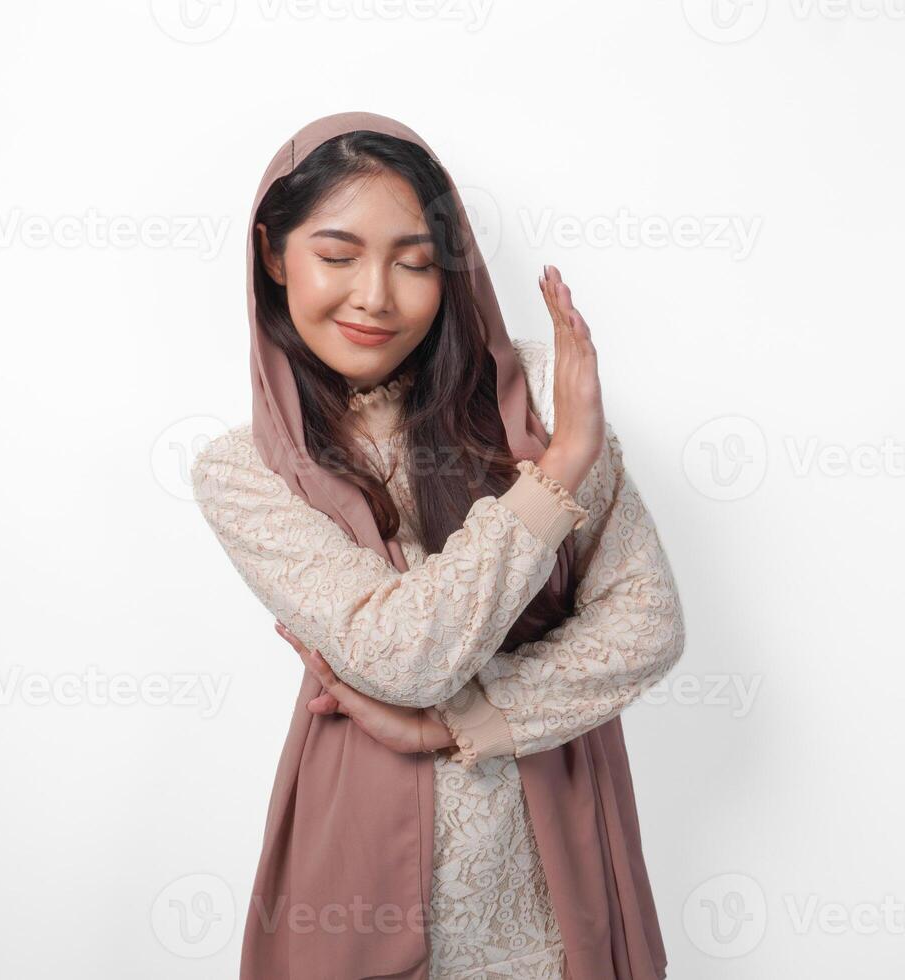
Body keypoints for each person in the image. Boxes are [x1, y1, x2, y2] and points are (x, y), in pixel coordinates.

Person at [190, 111, 686, 979]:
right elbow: (403, 655)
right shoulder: (245, 471)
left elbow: (647, 623)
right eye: (337, 256)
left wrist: (460, 725)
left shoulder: (533, 395)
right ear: (274, 255)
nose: (376, 295)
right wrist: (557, 470)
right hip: (356, 871)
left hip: (553, 865)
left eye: (414, 262)